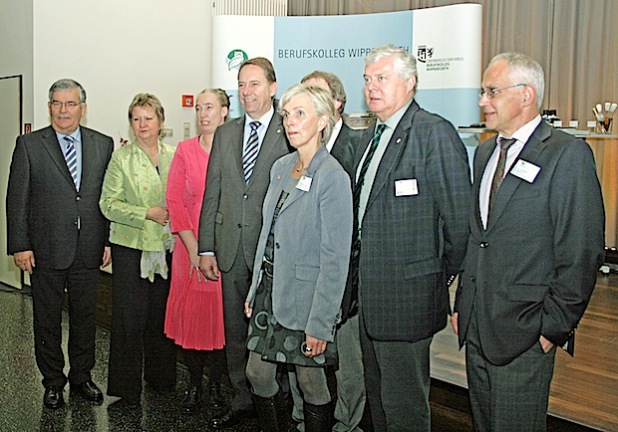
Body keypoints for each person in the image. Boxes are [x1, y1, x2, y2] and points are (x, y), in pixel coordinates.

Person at [451, 52, 605, 431]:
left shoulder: (567, 155)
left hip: (526, 333)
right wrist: (462, 305)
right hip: (477, 329)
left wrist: (552, 329)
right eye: (482, 91)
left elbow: (581, 251)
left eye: (491, 91)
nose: (482, 101)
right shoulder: (485, 153)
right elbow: (479, 237)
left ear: (525, 95)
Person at [352, 45, 471, 431]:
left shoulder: (433, 133)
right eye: (368, 79)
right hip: (368, 297)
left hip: (407, 297)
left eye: (381, 78)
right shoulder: (374, 134)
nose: (372, 87)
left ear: (411, 83)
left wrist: (435, 274)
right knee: (379, 400)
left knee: (404, 406)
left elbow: (459, 222)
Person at [244, 83, 353, 432]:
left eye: (300, 114)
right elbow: (266, 235)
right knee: (257, 373)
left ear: (322, 121)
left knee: (310, 382)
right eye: (287, 114)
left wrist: (322, 321)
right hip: (270, 291)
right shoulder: (280, 167)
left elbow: (336, 258)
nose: (290, 122)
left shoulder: (332, 177)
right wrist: (254, 290)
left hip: (307, 299)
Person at [6, 78, 113, 409]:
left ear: (83, 107)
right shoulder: (29, 145)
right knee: (46, 320)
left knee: (85, 318)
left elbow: (107, 197)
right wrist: (20, 245)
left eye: (70, 104)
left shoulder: (103, 144)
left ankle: (82, 377)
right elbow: (16, 200)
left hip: (89, 247)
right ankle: (53, 381)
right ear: (49, 106)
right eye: (57, 103)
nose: (63, 110)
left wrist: (107, 240)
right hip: (45, 248)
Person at [198, 57, 292, 429]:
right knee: (235, 332)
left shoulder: (290, 129)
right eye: (241, 84)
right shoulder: (226, 133)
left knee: (274, 331)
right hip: (231, 249)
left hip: (272, 251)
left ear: (272, 88)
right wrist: (207, 246)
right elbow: (212, 192)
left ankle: (276, 401)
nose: (247, 91)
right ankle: (243, 400)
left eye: (254, 84)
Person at [289, 70, 363, 432]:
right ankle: (304, 421)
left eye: (314, 96)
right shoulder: (291, 156)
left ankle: (346, 425)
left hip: (345, 276)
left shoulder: (355, 147)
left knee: (349, 363)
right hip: (301, 279)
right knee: (304, 366)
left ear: (335, 104)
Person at [100, 93, 177, 409]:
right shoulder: (123, 158)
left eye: (148, 118)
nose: (142, 125)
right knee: (129, 322)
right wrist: (147, 212)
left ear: (161, 121)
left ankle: (161, 381)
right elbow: (108, 204)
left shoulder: (176, 155)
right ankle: (127, 391)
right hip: (131, 249)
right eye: (136, 119)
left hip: (167, 249)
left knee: (161, 318)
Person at [164, 89, 229, 414]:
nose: (203, 114)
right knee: (191, 323)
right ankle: (193, 385)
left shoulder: (232, 151)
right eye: (199, 108)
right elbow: (174, 201)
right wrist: (194, 249)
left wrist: (214, 250)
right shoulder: (185, 151)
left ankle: (216, 387)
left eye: (210, 108)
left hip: (223, 253)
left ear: (224, 112)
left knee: (218, 323)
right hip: (188, 250)